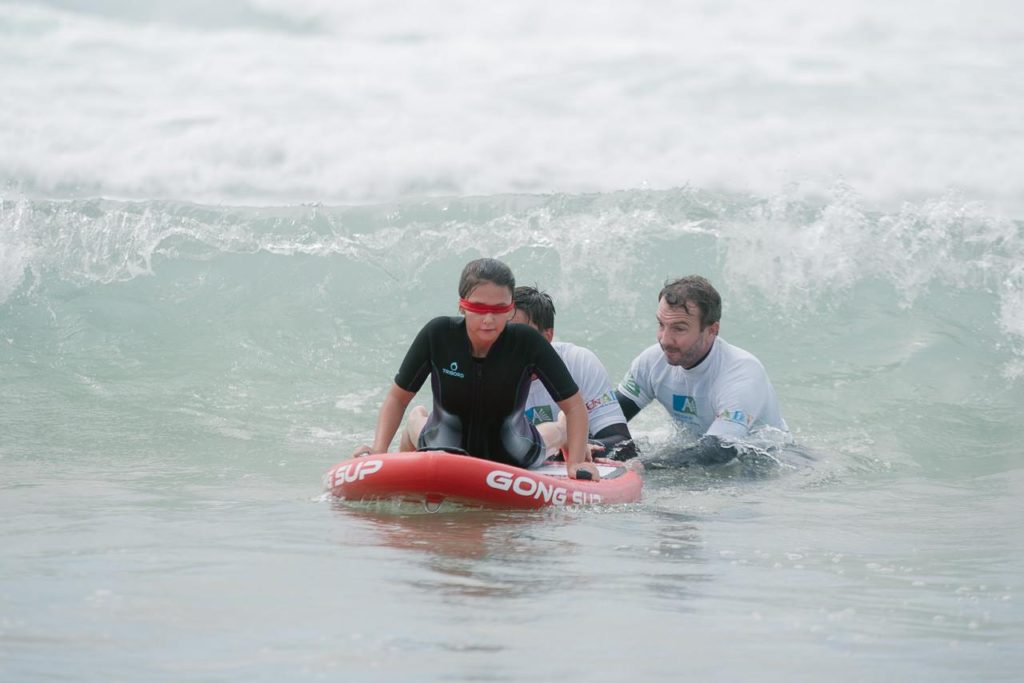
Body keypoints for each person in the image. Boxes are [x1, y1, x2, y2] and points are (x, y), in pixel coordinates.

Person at [352, 258, 599, 480]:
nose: (489, 319)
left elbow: (574, 405)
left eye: (499, 309)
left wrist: (575, 462)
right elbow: (397, 397)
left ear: (511, 308)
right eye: (479, 308)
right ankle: (415, 423)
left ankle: (562, 430)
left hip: (513, 449)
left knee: (550, 433)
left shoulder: (527, 342)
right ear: (463, 306)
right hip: (440, 440)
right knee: (420, 426)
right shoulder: (438, 335)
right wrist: (378, 451)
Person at [617, 275, 788, 466]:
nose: (664, 339)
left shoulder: (742, 373)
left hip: (766, 468)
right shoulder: (652, 362)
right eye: (661, 325)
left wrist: (642, 465)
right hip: (703, 454)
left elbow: (719, 449)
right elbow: (608, 417)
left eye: (679, 329)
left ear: (711, 330)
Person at [511, 286, 638, 462]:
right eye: (502, 334)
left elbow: (624, 445)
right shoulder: (482, 370)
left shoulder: (577, 362)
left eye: (520, 335)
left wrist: (577, 447)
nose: (508, 345)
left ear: (546, 337)